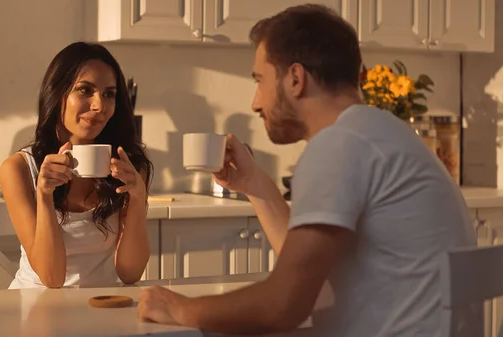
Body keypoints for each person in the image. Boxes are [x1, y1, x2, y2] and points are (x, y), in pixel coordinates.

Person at [136, 4, 476, 336]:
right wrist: (254, 183)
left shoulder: (340, 144)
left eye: (260, 80)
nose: (255, 102)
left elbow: (283, 305)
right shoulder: (378, 131)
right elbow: (307, 276)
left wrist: (180, 308)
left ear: (296, 78)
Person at [0, 42, 153, 289]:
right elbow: (52, 279)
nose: (99, 106)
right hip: (36, 306)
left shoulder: (129, 168)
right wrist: (45, 195)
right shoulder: (18, 169)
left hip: (100, 307)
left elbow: (130, 273)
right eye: (85, 90)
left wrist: (137, 198)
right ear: (58, 94)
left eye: (109, 94)